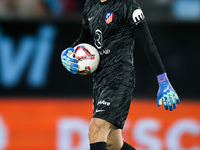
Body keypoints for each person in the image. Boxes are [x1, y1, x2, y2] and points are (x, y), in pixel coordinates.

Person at [61, 0, 180, 149]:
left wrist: (163, 81)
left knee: (96, 128)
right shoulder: (90, 5)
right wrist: (68, 52)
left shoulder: (128, 6)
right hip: (100, 80)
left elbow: (148, 44)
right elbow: (85, 39)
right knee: (113, 143)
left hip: (120, 78)